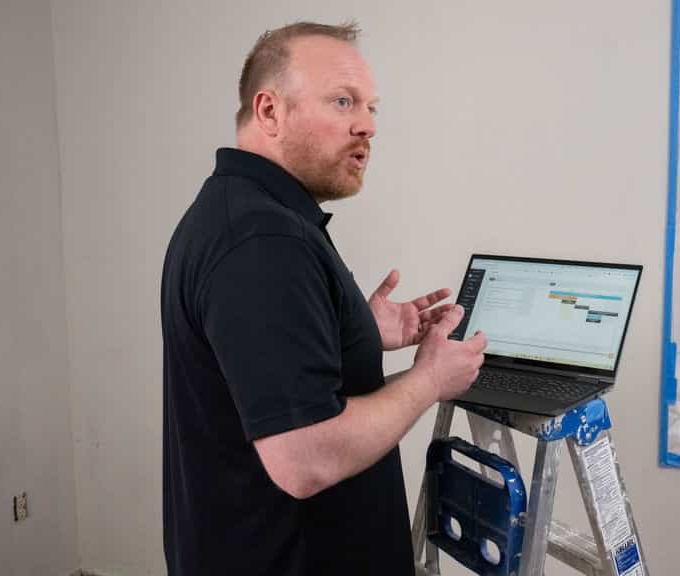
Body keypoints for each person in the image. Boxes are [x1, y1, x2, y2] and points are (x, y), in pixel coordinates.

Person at [160, 21, 488, 575]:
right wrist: (430, 379)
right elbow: (303, 459)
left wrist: (352, 331)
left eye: (371, 108)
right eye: (342, 102)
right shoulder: (262, 241)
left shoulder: (242, 212)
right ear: (269, 112)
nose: (366, 125)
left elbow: (275, 384)